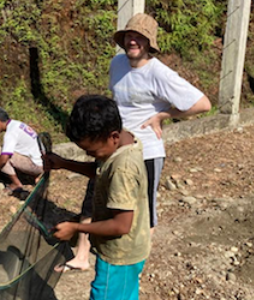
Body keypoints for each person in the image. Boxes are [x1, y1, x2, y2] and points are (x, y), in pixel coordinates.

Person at [62, 12, 211, 273]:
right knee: (95, 194)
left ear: (149, 43)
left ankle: (134, 264)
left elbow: (202, 104)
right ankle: (83, 255)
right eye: (129, 35)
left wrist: (163, 115)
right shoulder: (117, 63)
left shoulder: (160, 73)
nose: (133, 41)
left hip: (146, 151)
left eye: (139, 37)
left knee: (142, 209)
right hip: (112, 144)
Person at [44, 95, 151, 300]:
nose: (92, 156)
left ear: (112, 136)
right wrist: (64, 163)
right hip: (132, 253)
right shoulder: (123, 143)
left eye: (93, 151)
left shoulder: (123, 168)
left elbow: (121, 224)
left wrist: (77, 229)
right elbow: (100, 169)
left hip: (117, 255)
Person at [0, 107, 43, 193]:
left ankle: (16, 183)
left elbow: (3, 159)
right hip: (42, 161)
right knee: (2, 150)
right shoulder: (16, 124)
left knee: (0, 154)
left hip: (36, 166)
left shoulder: (10, 133)